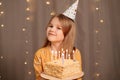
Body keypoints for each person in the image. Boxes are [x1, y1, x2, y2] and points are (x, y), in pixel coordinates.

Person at [33, 13, 83, 80]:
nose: (52, 30)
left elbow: (78, 77)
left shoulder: (74, 53)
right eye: (50, 26)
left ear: (67, 33)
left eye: (58, 28)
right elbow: (39, 78)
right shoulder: (40, 54)